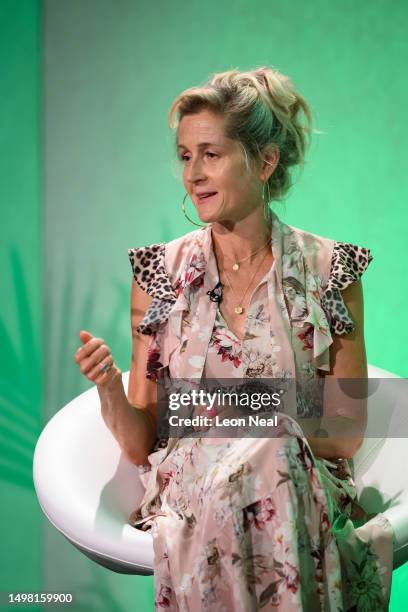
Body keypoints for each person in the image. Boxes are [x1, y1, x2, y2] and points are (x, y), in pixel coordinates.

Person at [74, 67, 394, 611]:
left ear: (265, 161)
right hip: (194, 492)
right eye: (184, 156)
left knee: (271, 447)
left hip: (299, 485)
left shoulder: (330, 269)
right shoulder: (158, 273)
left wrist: (242, 417)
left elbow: (343, 432)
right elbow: (141, 441)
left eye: (211, 154)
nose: (192, 174)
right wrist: (109, 389)